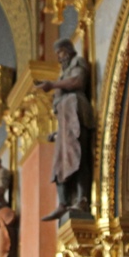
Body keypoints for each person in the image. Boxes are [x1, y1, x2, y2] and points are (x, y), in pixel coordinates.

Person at [37, 39, 94, 221]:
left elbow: (77, 81)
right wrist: (57, 133)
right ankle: (63, 203)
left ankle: (82, 199)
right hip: (64, 119)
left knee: (77, 156)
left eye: (61, 53)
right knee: (59, 164)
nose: (59, 58)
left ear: (69, 51)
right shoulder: (62, 73)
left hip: (75, 111)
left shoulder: (78, 62)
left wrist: (52, 85)